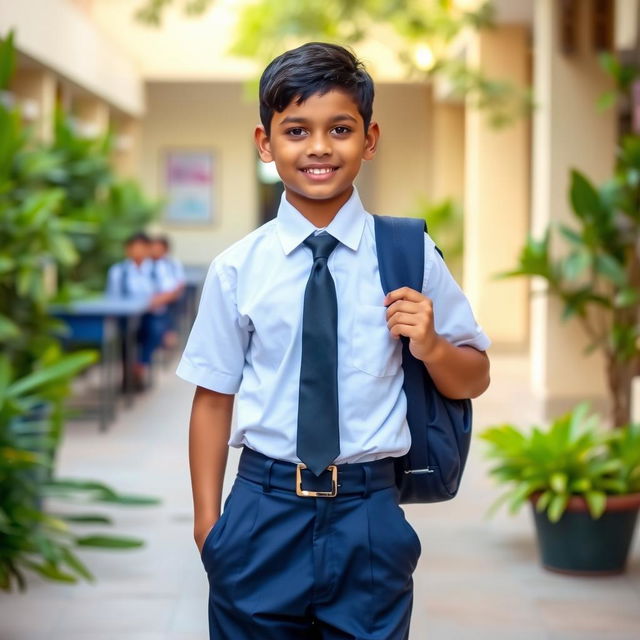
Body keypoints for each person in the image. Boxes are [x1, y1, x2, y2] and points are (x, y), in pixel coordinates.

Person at [176, 42, 491, 639]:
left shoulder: (408, 254)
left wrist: (432, 346)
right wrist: (208, 525)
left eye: (339, 129)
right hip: (262, 507)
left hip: (367, 513)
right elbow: (213, 397)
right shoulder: (237, 268)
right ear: (265, 144)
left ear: (369, 139)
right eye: (296, 130)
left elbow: (474, 374)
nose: (319, 147)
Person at [106, 231, 175, 389]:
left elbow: (170, 292)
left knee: (154, 329)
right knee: (123, 334)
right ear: (127, 250)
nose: (138, 251)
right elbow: (112, 298)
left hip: (151, 314)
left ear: (148, 249)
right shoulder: (118, 271)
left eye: (142, 247)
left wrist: (151, 302)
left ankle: (141, 366)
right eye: (134, 247)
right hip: (125, 316)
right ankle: (127, 372)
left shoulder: (158, 269)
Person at [150, 234, 185, 348]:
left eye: (159, 248)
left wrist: (164, 298)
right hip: (149, 303)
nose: (155, 251)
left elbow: (179, 285)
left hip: (169, 301)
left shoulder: (172, 264)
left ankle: (168, 333)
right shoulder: (146, 264)